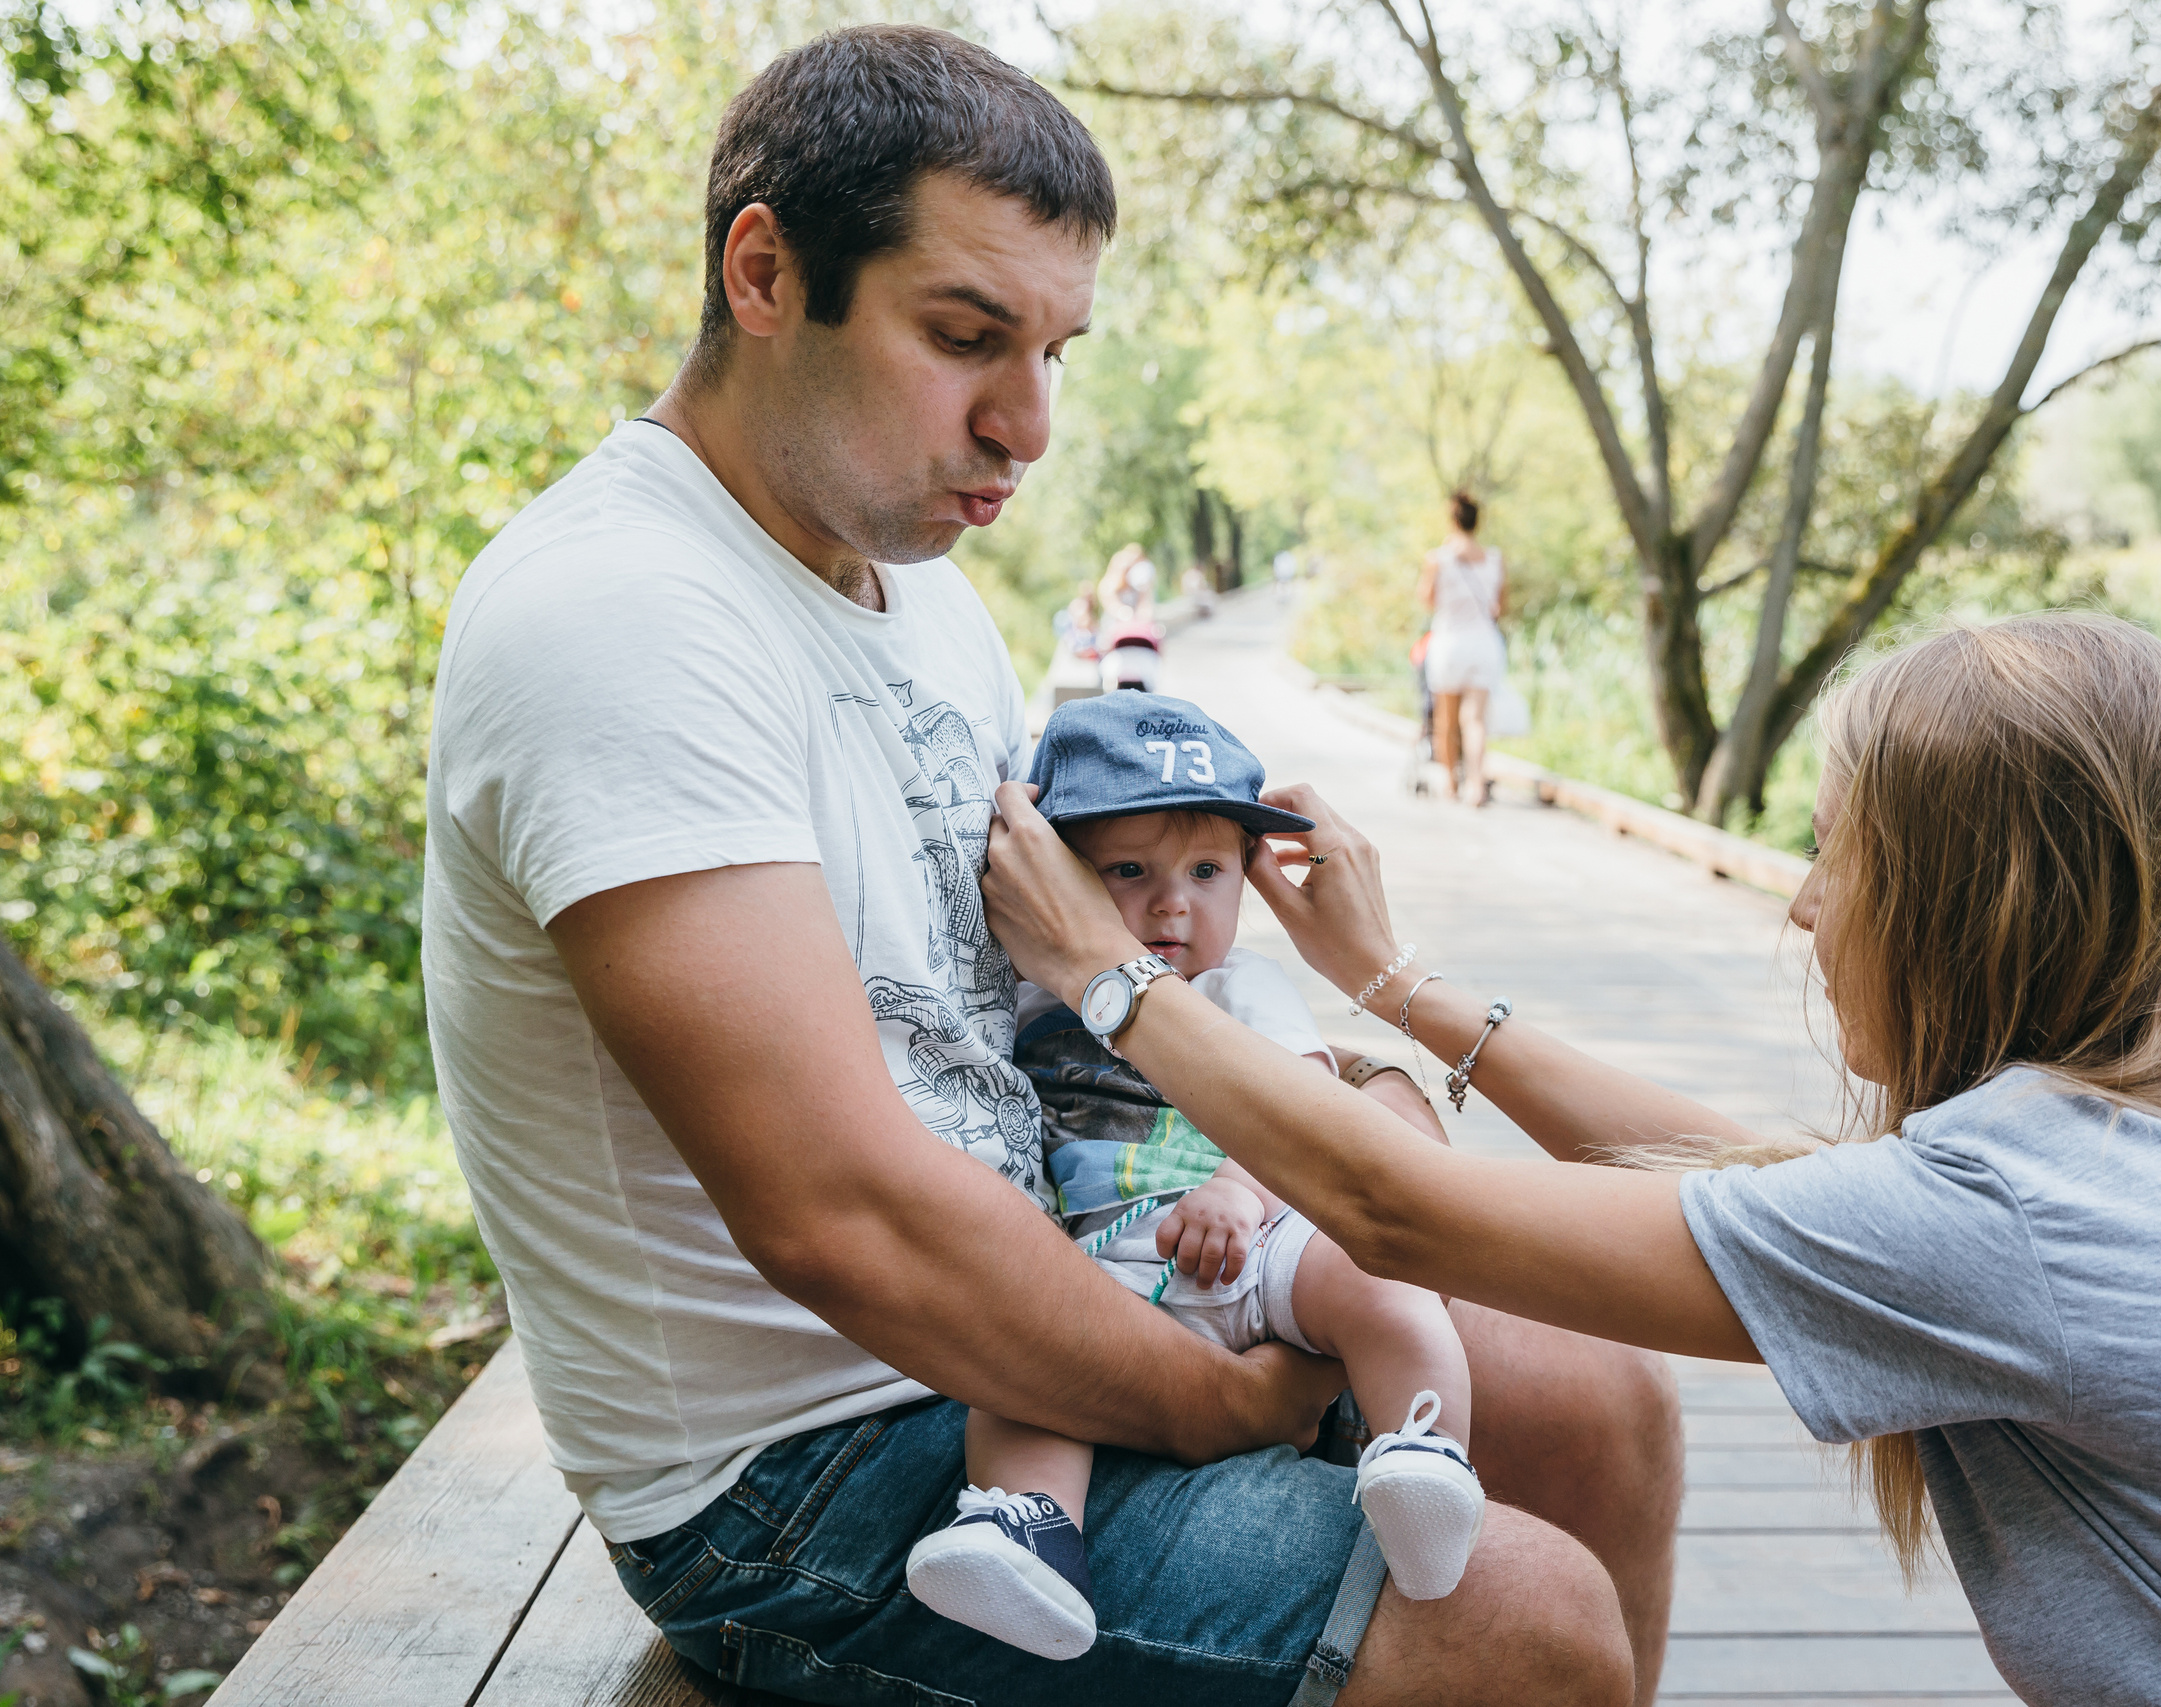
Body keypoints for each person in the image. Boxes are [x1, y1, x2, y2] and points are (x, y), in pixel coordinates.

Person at [421, 25, 1678, 1707]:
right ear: (765, 272)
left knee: (1601, 1400)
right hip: (801, 1469)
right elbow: (843, 1216)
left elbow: (1050, 1002)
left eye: (1056, 351)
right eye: (965, 337)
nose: (1025, 423)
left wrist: (1352, 1071)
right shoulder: (620, 615)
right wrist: (1207, 1396)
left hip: (1078, 1252)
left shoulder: (925, 594)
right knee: (1530, 1621)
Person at [984, 610, 2161, 1707]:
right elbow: (1734, 1178)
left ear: (1964, 906)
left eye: (1832, 849)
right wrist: (1397, 985)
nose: (1803, 905)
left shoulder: (2023, 1218)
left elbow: (1400, 1207)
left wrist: (1103, 972)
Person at [906, 693, 1483, 1661]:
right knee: (1019, 1373)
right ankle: (1030, 1531)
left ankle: (1423, 1450)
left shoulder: (1237, 987)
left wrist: (1238, 1191)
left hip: (1263, 1251)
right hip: (1103, 1278)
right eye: (1128, 871)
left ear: (1245, 877)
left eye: (1207, 872)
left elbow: (1308, 1110)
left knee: (1381, 1285)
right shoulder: (1035, 1001)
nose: (1173, 904)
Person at [1417, 492, 1505, 807]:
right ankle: (1476, 786)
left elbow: (1426, 599)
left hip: (1450, 643)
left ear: (1453, 521)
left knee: (1446, 719)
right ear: (1476, 522)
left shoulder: (1438, 558)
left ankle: (1451, 784)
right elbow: (1500, 606)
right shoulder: (1494, 559)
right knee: (1475, 720)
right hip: (1483, 644)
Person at [1098, 541, 1157, 625]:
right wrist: (1126, 614)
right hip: (1116, 626)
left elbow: (1144, 603)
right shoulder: (1107, 586)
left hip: (1135, 624)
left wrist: (1145, 615)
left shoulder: (1136, 585)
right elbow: (1112, 607)